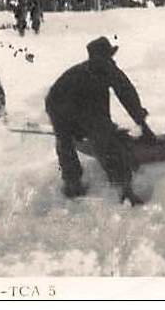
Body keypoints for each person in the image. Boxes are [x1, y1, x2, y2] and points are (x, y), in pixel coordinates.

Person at [45, 37, 155, 206]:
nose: (110, 60)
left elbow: (123, 96)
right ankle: (123, 192)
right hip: (62, 103)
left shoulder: (97, 69)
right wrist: (141, 127)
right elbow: (121, 98)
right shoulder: (96, 71)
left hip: (65, 103)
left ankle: (76, 183)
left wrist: (140, 124)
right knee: (96, 142)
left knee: (75, 138)